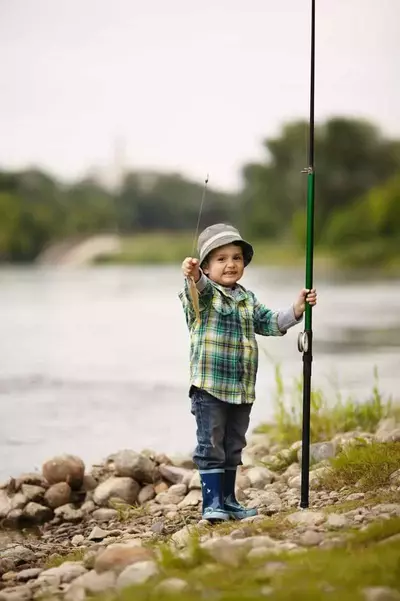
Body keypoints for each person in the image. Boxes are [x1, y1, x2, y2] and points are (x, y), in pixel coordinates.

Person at [179, 223, 317, 522]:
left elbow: (269, 322)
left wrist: (296, 309)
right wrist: (193, 275)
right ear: (205, 266)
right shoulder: (202, 295)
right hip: (210, 387)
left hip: (241, 389)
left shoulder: (247, 298)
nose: (231, 264)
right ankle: (212, 503)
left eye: (237, 257)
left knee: (233, 445)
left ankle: (228, 501)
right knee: (211, 444)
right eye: (221, 258)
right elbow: (200, 287)